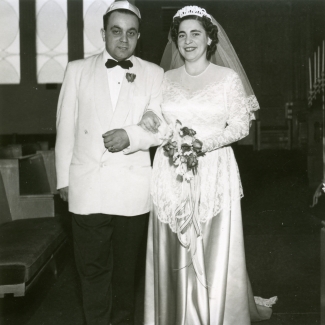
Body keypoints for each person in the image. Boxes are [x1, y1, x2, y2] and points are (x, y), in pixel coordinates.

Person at [136, 5, 278, 325]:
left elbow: (241, 126)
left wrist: (204, 144)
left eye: (195, 34)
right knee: (174, 248)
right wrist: (154, 125)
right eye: (182, 34)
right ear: (175, 40)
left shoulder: (227, 79)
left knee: (212, 247)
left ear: (210, 39)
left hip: (214, 169)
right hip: (170, 171)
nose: (188, 41)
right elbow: (156, 123)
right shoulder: (164, 78)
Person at [55, 1, 164, 324]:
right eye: (116, 32)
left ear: (138, 36)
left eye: (131, 33)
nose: (123, 40)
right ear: (103, 33)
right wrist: (64, 180)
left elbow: (160, 126)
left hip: (132, 188)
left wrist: (130, 136)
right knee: (92, 271)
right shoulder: (77, 70)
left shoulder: (154, 74)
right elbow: (65, 128)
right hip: (88, 186)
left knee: (124, 277)